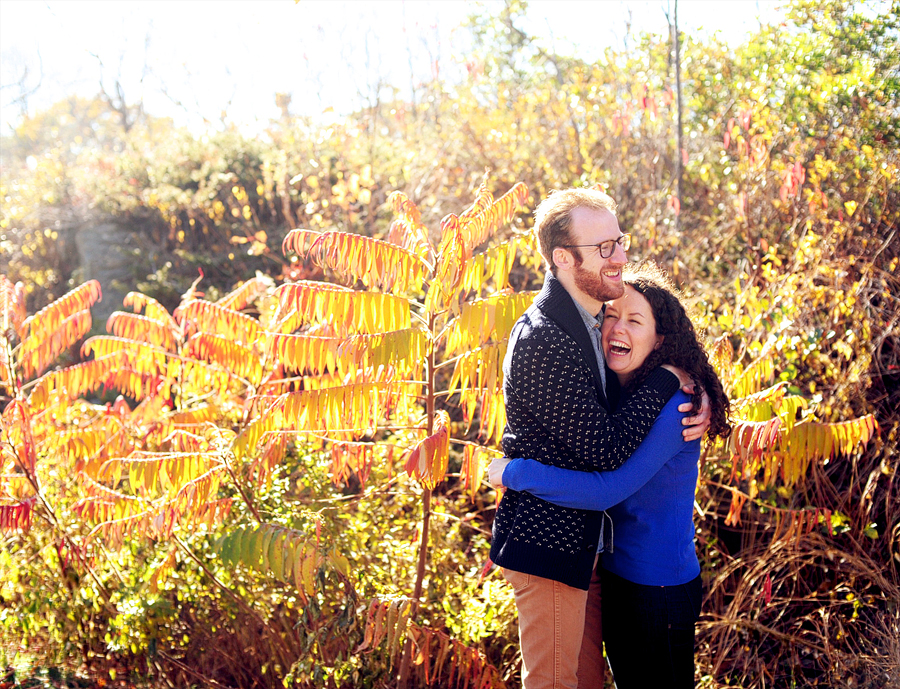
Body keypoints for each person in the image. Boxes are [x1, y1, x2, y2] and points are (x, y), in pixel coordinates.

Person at [490, 187, 710, 689]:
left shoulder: (591, 322)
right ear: (563, 258)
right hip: (552, 545)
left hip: (590, 553)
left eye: (619, 241)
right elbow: (607, 451)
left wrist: (697, 389)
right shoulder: (545, 336)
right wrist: (670, 378)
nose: (621, 257)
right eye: (604, 248)